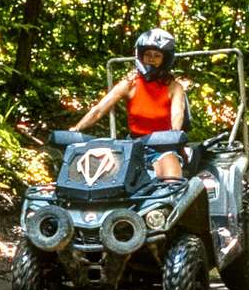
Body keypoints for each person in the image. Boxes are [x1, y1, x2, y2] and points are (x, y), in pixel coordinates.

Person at [70, 28, 189, 179]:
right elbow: (99, 109)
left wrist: (174, 134)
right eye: (148, 54)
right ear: (140, 56)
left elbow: (178, 112)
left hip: (163, 145)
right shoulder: (130, 84)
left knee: (171, 176)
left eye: (157, 56)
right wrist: (76, 128)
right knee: (107, 175)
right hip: (133, 145)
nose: (151, 59)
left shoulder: (174, 87)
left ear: (165, 59)